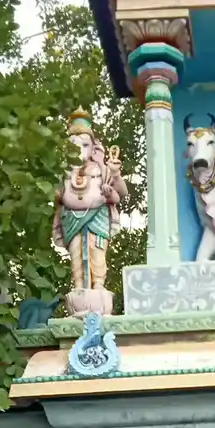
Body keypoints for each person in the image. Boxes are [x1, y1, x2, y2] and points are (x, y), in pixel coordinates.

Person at [51, 110, 128, 296]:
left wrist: (114, 178)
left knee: (97, 250)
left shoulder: (101, 170)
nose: (78, 150)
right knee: (76, 252)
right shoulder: (64, 173)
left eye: (84, 145)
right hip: (71, 220)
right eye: (73, 146)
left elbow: (122, 193)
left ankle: (99, 285)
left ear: (94, 149)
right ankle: (78, 286)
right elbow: (56, 195)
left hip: (97, 219)